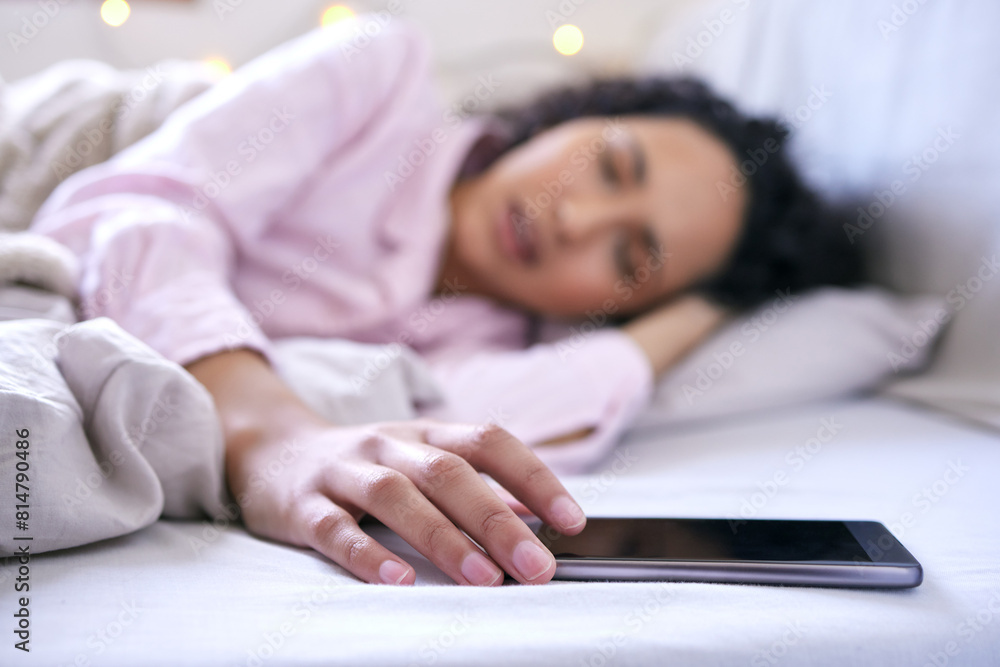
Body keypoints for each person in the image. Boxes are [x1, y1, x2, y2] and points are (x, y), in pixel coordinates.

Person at [30, 17, 859, 588]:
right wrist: (271, 430)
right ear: (586, 111)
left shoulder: (497, 343)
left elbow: (478, 425)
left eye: (630, 258)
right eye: (609, 164)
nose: (575, 217)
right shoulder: (381, 73)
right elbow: (138, 209)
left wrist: (702, 310)